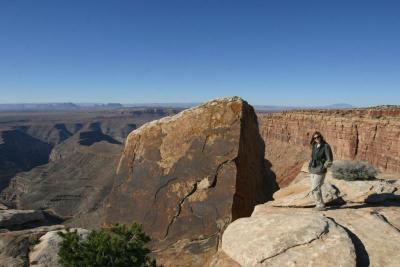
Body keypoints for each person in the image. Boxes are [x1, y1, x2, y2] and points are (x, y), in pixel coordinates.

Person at [308, 131, 333, 211]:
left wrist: (323, 167)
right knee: (314, 189)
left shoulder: (325, 146)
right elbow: (312, 158)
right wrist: (309, 166)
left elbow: (329, 160)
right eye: (314, 138)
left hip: (320, 170)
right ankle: (318, 204)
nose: (316, 139)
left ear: (321, 137)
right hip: (313, 169)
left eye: (318, 137)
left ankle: (321, 205)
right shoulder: (315, 146)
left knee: (315, 188)